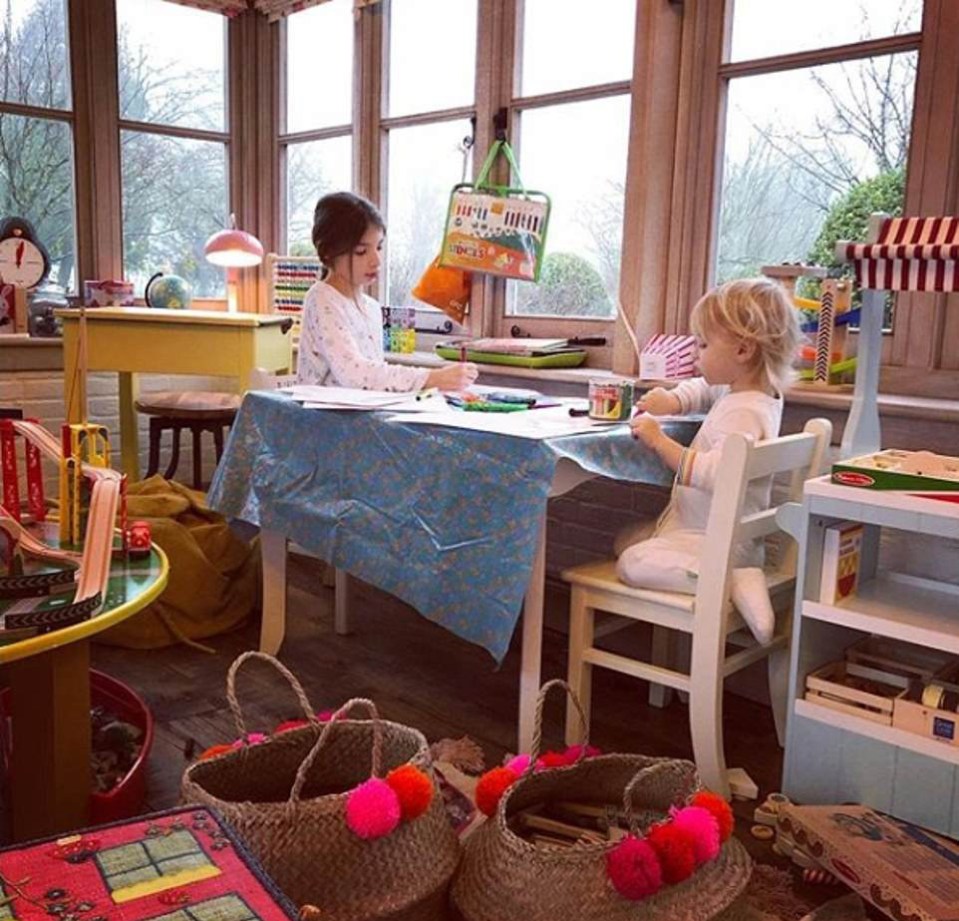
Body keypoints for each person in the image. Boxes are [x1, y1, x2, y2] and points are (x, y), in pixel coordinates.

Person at [616, 278, 801, 643]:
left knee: (631, 562)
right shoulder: (748, 392)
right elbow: (702, 387)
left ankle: (730, 579)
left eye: (703, 344)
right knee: (626, 541)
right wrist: (671, 401)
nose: (695, 354)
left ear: (743, 350)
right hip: (707, 535)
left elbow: (716, 474)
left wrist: (659, 441)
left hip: (715, 543)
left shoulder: (744, 412)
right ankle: (726, 575)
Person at [296, 191, 479, 392]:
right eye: (361, 251)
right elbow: (354, 374)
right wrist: (430, 378)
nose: (376, 261)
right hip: (321, 419)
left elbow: (373, 378)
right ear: (328, 252)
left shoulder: (371, 307)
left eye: (379, 247)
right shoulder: (322, 298)